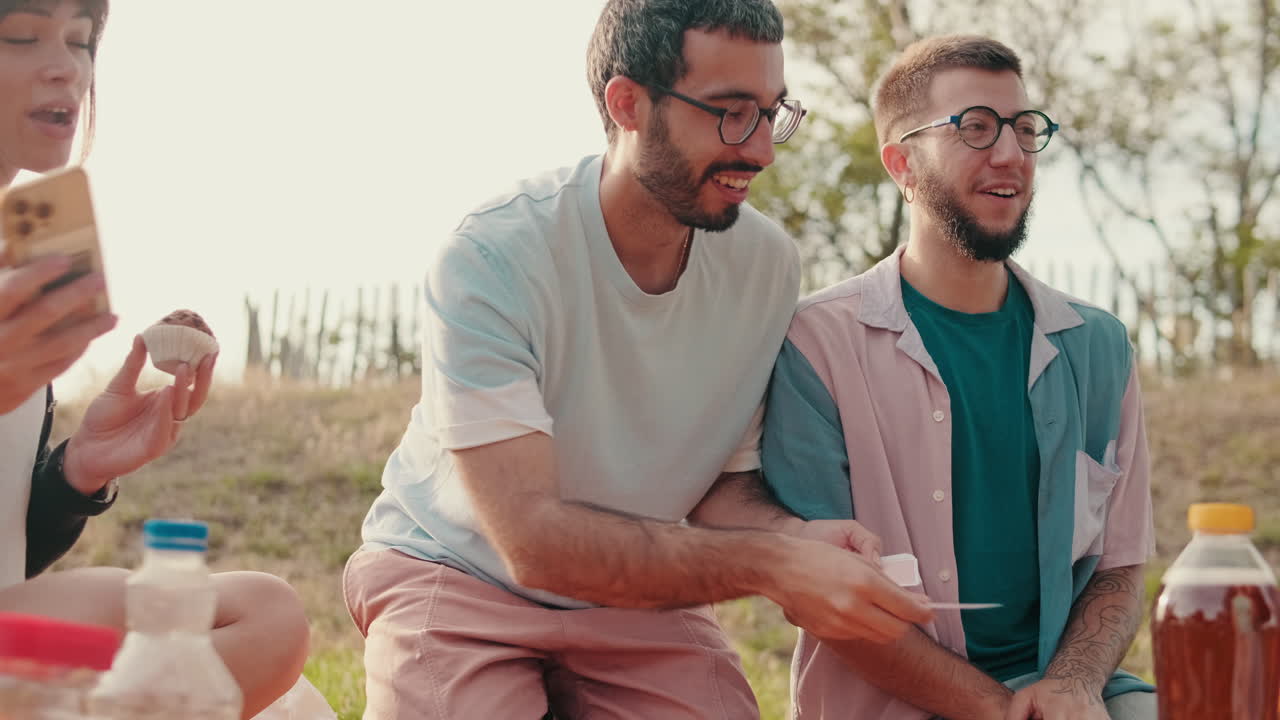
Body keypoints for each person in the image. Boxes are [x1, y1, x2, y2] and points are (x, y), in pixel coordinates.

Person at [342, 1, 933, 718]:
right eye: (729, 112)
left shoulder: (765, 264)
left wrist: (799, 539)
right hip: (458, 572)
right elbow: (531, 539)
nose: (762, 151)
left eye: (773, 112)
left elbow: (724, 487)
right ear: (627, 103)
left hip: (634, 594)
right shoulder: (494, 256)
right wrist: (774, 565)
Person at [758, 34, 1158, 720]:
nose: (1010, 154)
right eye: (974, 128)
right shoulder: (815, 346)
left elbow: (1120, 567)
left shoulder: (1099, 349)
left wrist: (1071, 685)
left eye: (1025, 129)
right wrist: (1000, 709)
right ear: (902, 164)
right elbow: (830, 601)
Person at [0, 3, 310, 717]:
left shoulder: (29, 250)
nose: (66, 67)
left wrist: (79, 470)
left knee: (264, 616)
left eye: (80, 41)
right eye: (22, 35)